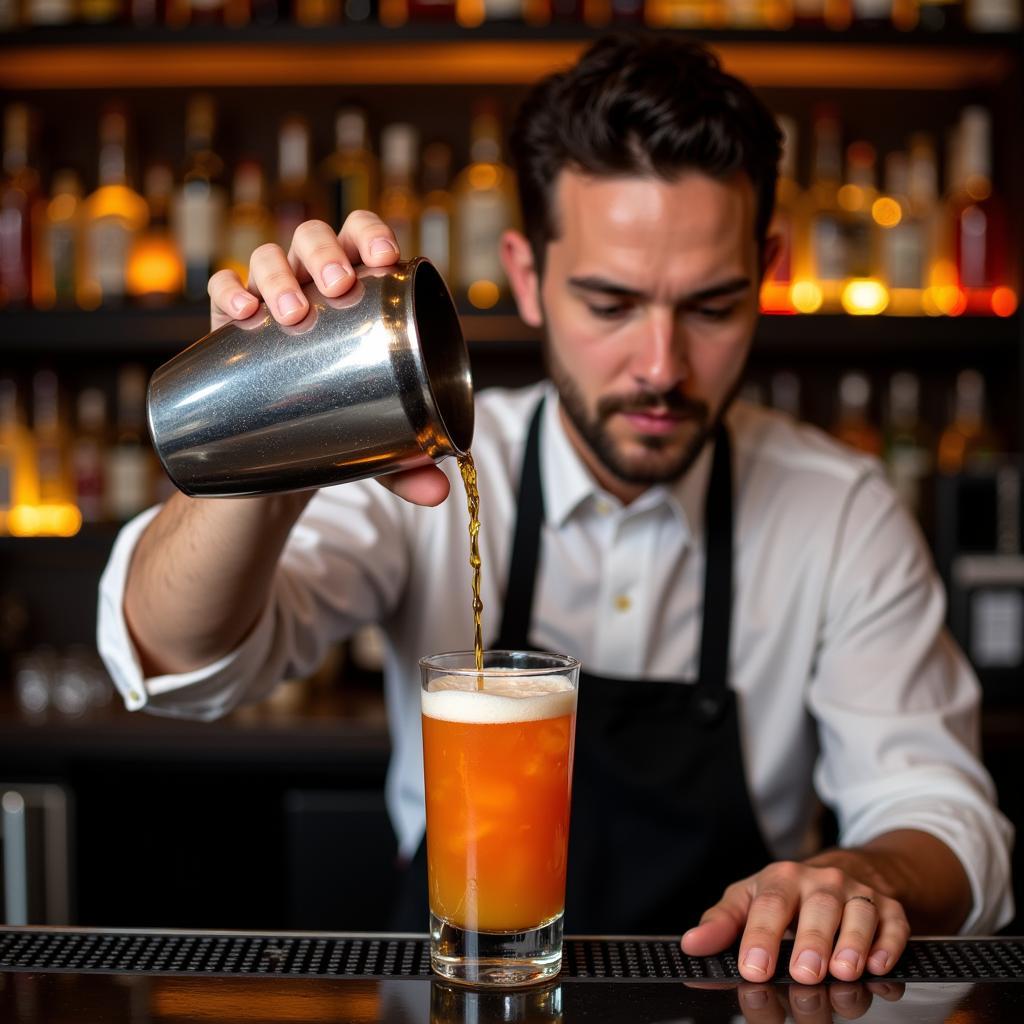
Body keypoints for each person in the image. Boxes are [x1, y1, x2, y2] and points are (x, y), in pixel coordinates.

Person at [98, 32, 1012, 985]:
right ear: (527, 276)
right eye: (610, 304)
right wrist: (271, 437)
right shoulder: (433, 460)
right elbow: (176, 662)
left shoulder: (843, 512)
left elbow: (947, 817)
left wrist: (859, 877)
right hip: (461, 990)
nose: (661, 366)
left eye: (710, 306)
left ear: (768, 270)